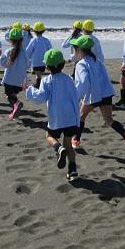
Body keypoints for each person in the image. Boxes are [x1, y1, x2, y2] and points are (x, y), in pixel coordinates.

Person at [70, 35, 125, 151]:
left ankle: (76, 140)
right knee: (109, 120)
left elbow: (84, 83)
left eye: (75, 49)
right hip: (105, 93)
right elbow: (105, 78)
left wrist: (76, 97)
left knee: (80, 117)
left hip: (93, 95)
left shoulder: (81, 64)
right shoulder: (97, 61)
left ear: (79, 50)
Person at [25, 49, 80, 181]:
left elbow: (40, 98)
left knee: (49, 136)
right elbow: (75, 96)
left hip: (56, 117)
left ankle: (58, 148)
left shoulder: (47, 80)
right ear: (62, 64)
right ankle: (72, 171)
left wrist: (29, 89)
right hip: (71, 117)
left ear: (47, 67)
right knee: (69, 144)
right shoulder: (69, 79)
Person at [0, 28, 29, 120]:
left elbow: (3, 63)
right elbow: (28, 65)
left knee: (9, 95)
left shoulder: (8, 51)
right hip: (20, 80)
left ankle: (16, 104)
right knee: (13, 94)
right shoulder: (24, 52)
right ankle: (14, 110)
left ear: (10, 40)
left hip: (9, 79)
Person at [26, 21, 53, 88]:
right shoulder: (46, 40)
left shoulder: (33, 40)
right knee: (39, 73)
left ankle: (38, 84)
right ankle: (39, 83)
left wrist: (27, 58)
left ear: (34, 31)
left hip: (35, 62)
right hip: (44, 61)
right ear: (43, 31)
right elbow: (50, 50)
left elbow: (28, 51)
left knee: (38, 74)